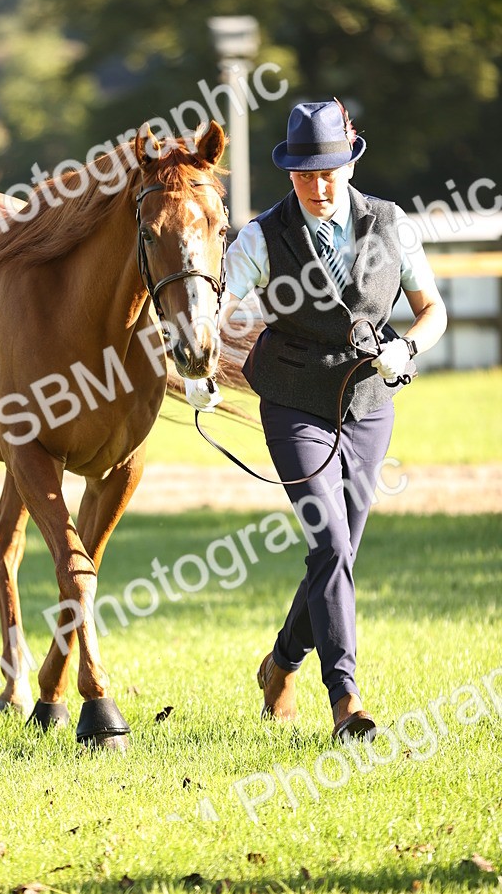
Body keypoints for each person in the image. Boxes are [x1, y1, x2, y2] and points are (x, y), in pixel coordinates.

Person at [185, 99, 447, 741]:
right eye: (305, 173)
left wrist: (406, 348)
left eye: (328, 171)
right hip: (292, 402)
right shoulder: (261, 235)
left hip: (368, 406)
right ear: (289, 171)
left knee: (340, 551)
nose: (318, 185)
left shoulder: (391, 225)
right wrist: (200, 367)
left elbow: (430, 308)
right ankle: (346, 701)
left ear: (349, 163)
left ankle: (280, 663)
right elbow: (218, 304)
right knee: (329, 544)